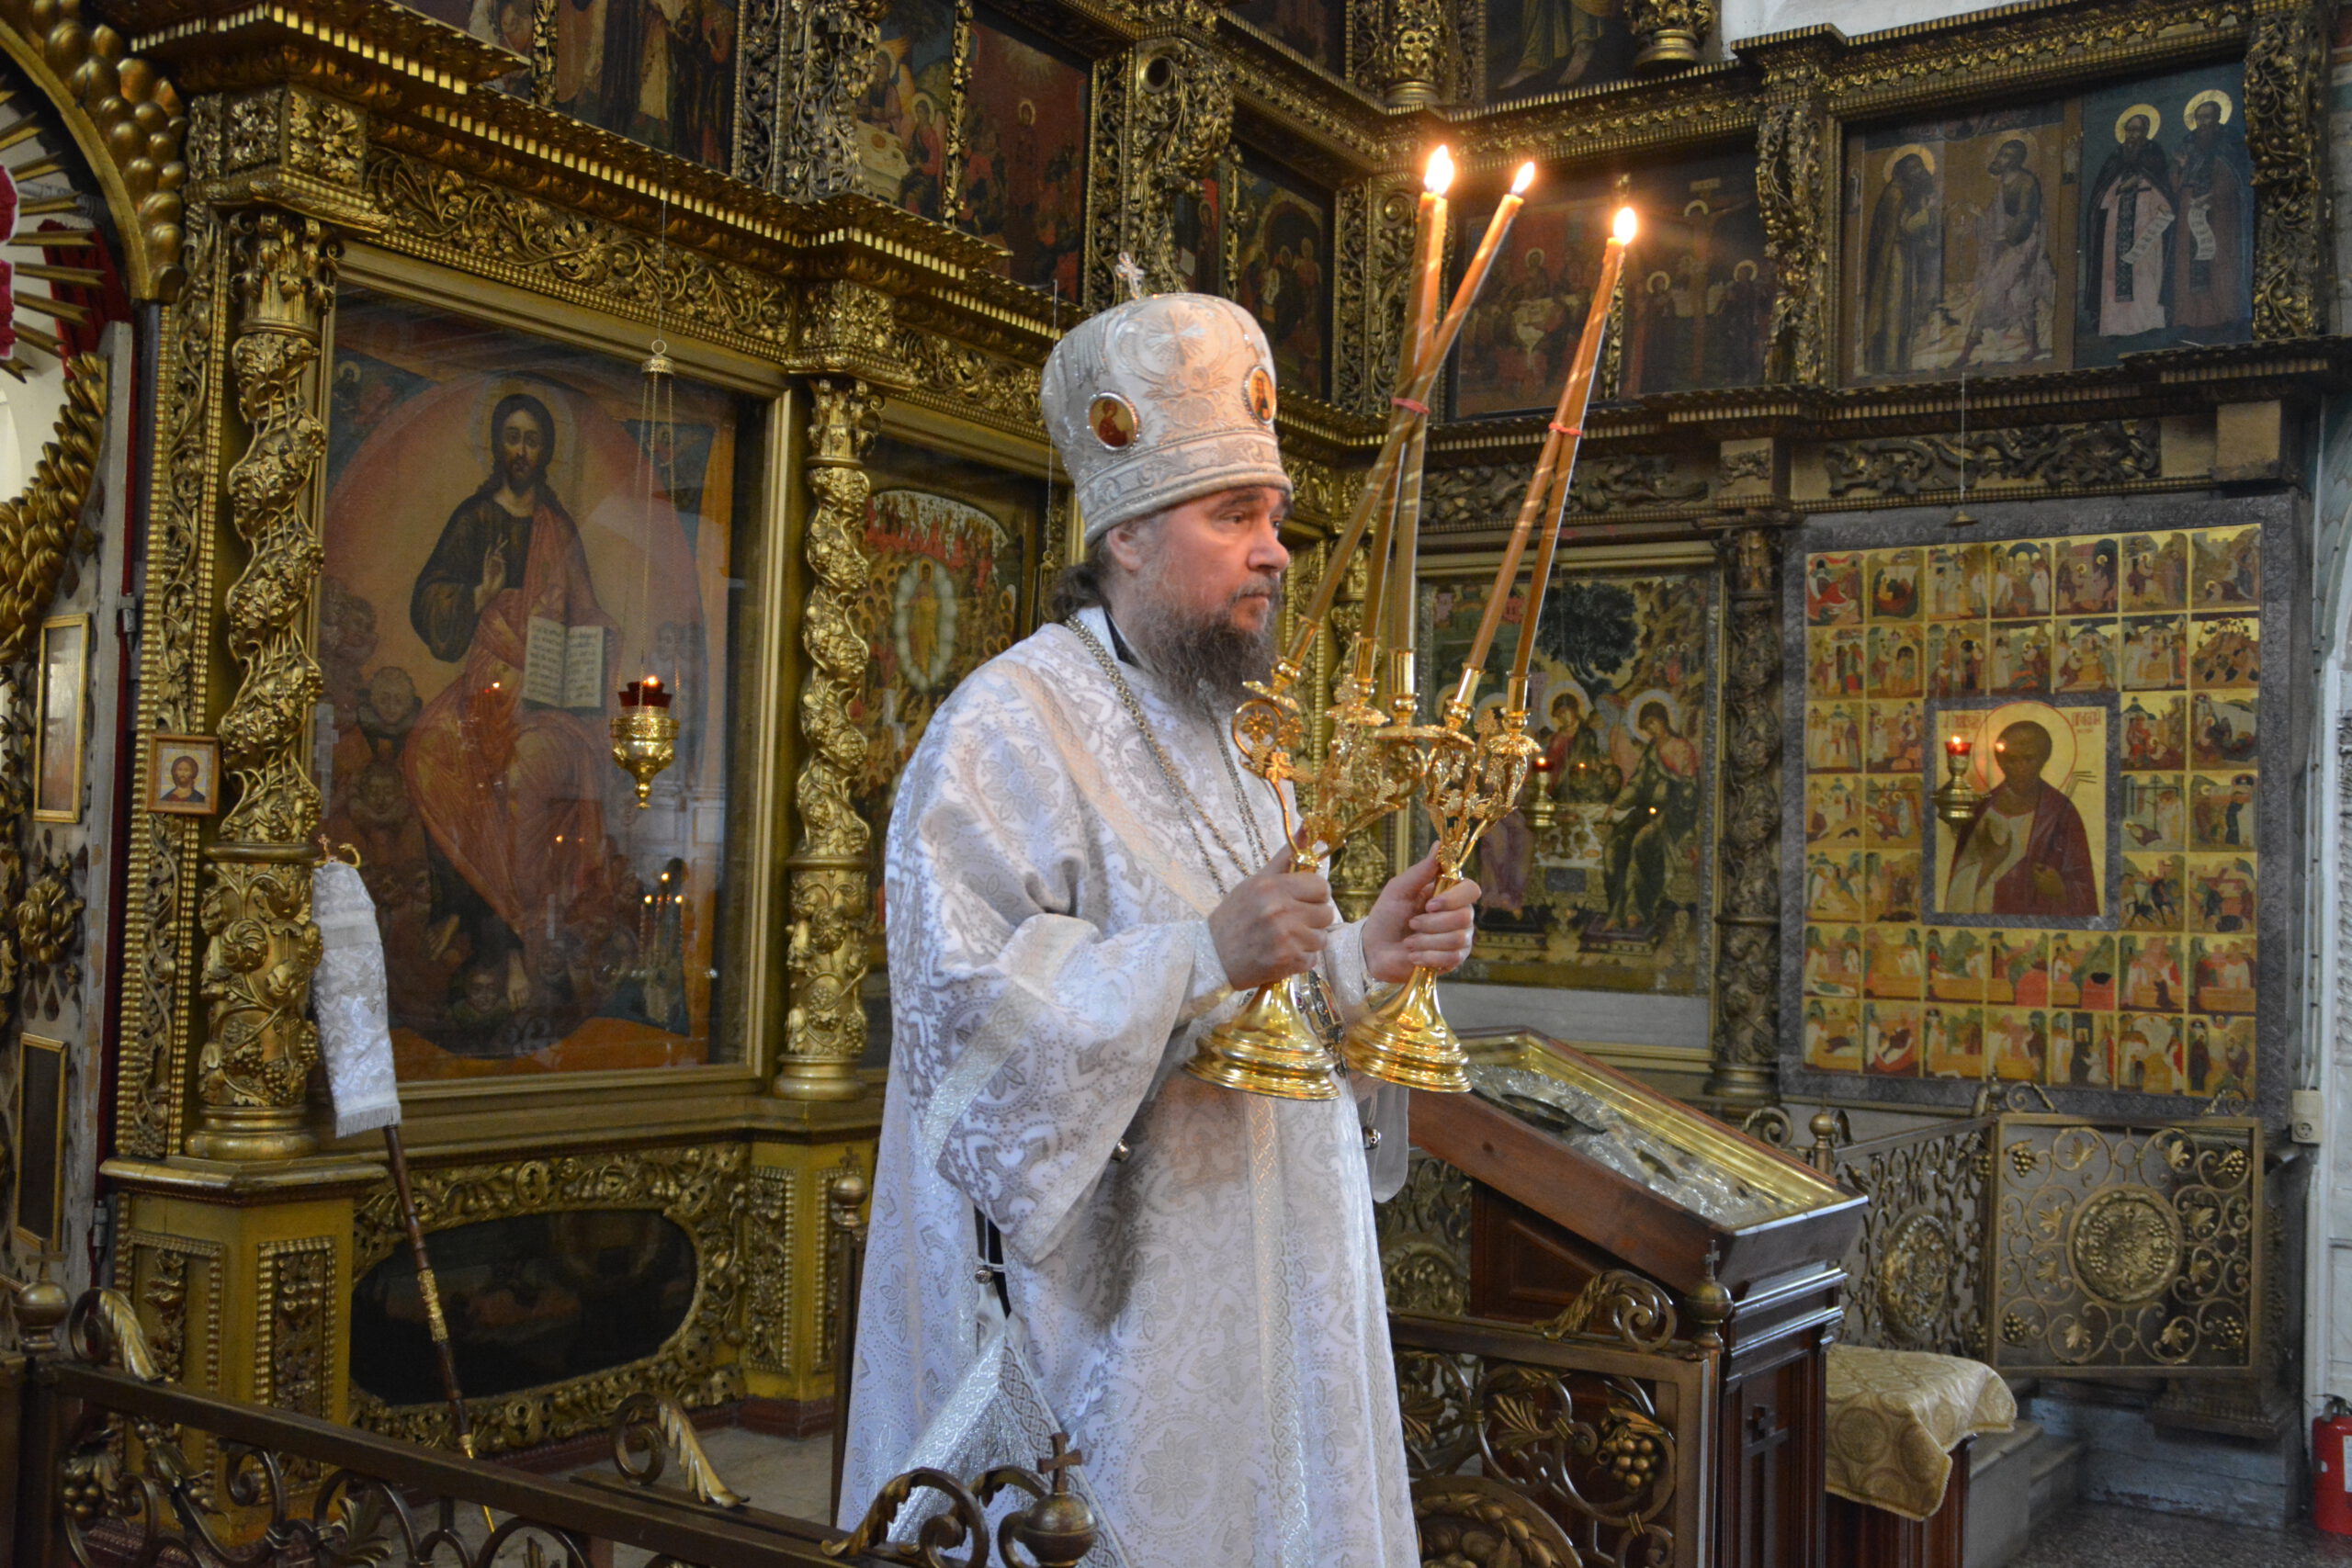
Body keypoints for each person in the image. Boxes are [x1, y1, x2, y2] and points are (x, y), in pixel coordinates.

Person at [842, 289, 1479, 1567]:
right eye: (1234, 515)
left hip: (1276, 1290)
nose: (1275, 552)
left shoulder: (1247, 741)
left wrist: (1364, 959)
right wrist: (1196, 954)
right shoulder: (1005, 726)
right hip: (1108, 1332)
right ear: (1126, 533)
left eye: (1276, 517)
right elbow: (965, 1023)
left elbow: (1269, 1008)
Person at [1942, 719, 2098, 917]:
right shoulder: (1980, 810)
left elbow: (2084, 888)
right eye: (2011, 760)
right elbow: (1955, 890)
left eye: (2028, 759)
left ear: (2043, 759)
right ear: (1999, 761)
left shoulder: (2061, 812)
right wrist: (1989, 864)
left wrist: (2060, 888)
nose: (2020, 767)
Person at [2085, 110, 2175, 340]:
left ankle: (2148, 323)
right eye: (2130, 130)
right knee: (2114, 275)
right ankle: (2116, 327)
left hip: (2146, 224)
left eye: (2138, 130)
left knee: (2145, 273)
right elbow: (2101, 198)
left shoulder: (2154, 153)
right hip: (2115, 228)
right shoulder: (2116, 157)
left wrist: (2141, 180)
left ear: (2146, 132)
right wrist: (2119, 187)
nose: (2133, 135)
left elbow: (2162, 186)